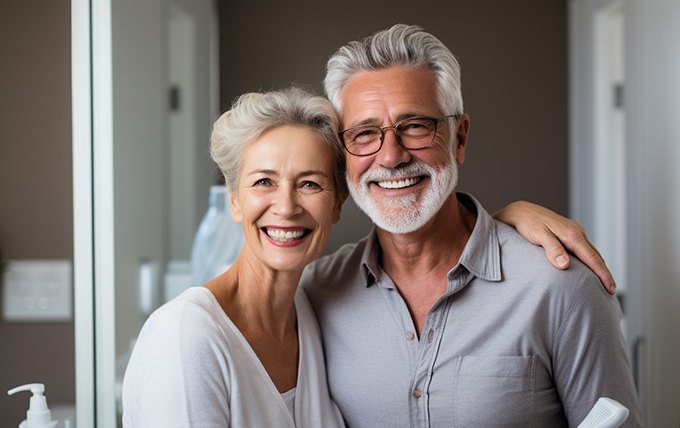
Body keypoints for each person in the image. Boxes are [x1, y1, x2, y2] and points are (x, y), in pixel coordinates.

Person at [302, 24, 642, 426]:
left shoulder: (561, 287)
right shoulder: (316, 295)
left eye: (415, 126)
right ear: (344, 155)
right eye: (364, 133)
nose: (390, 156)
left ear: (458, 138)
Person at [122, 87, 346, 427]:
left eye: (310, 184)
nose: (286, 207)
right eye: (263, 182)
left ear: (338, 204)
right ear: (234, 201)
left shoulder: (309, 317)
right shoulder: (186, 337)